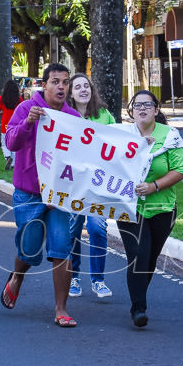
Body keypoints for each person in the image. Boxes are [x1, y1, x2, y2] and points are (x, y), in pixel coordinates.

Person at [0, 63, 82, 327]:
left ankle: (61, 308)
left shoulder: (73, 118)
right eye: (55, 81)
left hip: (59, 196)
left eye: (65, 82)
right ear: (44, 85)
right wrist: (28, 122)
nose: (61, 86)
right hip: (29, 193)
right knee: (30, 249)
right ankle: (17, 277)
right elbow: (11, 143)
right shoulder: (26, 109)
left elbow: (85, 157)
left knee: (61, 247)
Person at [118, 91, 183, 328]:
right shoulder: (122, 135)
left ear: (156, 110)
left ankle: (138, 298)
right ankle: (138, 308)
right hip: (129, 208)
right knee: (138, 254)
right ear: (131, 110)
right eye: (137, 105)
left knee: (149, 259)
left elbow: (180, 169)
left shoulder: (170, 136)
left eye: (148, 105)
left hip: (163, 208)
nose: (142, 108)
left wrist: (153, 186)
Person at [65, 73, 115, 299]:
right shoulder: (64, 116)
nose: (83, 90)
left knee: (97, 228)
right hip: (72, 185)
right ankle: (74, 277)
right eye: (78, 87)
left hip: (98, 186)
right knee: (73, 230)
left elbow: (120, 141)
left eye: (86, 86)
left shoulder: (104, 115)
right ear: (71, 92)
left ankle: (98, 280)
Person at [0, 79, 20, 170]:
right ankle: (13, 164)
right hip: (16, 124)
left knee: (5, 143)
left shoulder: (2, 98)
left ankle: (8, 157)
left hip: (5, 124)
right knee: (14, 144)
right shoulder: (19, 99)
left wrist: (2, 112)